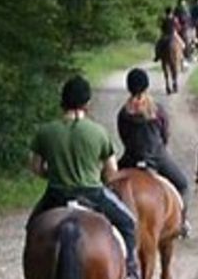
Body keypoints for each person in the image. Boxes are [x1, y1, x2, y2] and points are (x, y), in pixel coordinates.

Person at [27, 75, 140, 279]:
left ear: (63, 102)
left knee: (32, 226)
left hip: (55, 195)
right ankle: (131, 269)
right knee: (128, 223)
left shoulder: (45, 132)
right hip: (93, 194)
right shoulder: (98, 132)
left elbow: (35, 167)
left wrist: (52, 173)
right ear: (87, 103)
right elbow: (111, 172)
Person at [117, 68, 191, 238]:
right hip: (157, 157)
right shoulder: (157, 110)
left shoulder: (124, 112)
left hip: (130, 158)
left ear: (129, 87)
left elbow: (123, 136)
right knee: (183, 185)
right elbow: (165, 135)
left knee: (105, 184)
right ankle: (182, 222)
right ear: (146, 86)